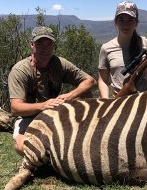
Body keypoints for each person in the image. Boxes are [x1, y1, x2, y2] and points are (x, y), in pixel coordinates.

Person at [8, 26, 96, 156]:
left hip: (56, 112)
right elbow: (16, 108)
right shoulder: (20, 70)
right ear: (32, 45)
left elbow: (90, 81)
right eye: (40, 44)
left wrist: (69, 96)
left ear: (54, 45)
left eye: (49, 44)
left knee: (86, 93)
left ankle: (88, 132)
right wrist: (43, 105)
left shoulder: (59, 63)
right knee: (22, 147)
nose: (45, 48)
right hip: (29, 118)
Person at [98, 1, 147, 98]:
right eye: (121, 20)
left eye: (130, 20)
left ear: (136, 22)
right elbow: (102, 80)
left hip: (144, 99)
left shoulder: (146, 44)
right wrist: (106, 103)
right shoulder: (106, 48)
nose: (125, 25)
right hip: (119, 101)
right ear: (116, 22)